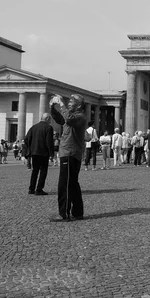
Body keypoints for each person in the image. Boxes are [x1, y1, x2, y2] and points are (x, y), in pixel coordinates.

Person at [50, 93, 87, 221]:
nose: (69, 101)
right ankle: (77, 212)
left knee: (64, 184)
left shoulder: (79, 117)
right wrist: (53, 108)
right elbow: (60, 119)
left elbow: (69, 119)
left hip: (70, 153)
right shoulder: (70, 116)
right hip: (69, 153)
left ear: (79, 105)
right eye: (69, 99)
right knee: (72, 184)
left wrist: (61, 104)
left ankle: (63, 214)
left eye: (73, 100)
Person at [24, 112, 54, 195]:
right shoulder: (49, 128)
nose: (50, 121)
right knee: (43, 171)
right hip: (44, 153)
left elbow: (26, 139)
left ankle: (31, 189)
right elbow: (49, 142)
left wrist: (31, 148)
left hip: (34, 152)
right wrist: (51, 154)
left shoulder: (34, 127)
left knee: (35, 171)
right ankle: (39, 189)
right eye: (50, 119)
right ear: (47, 119)